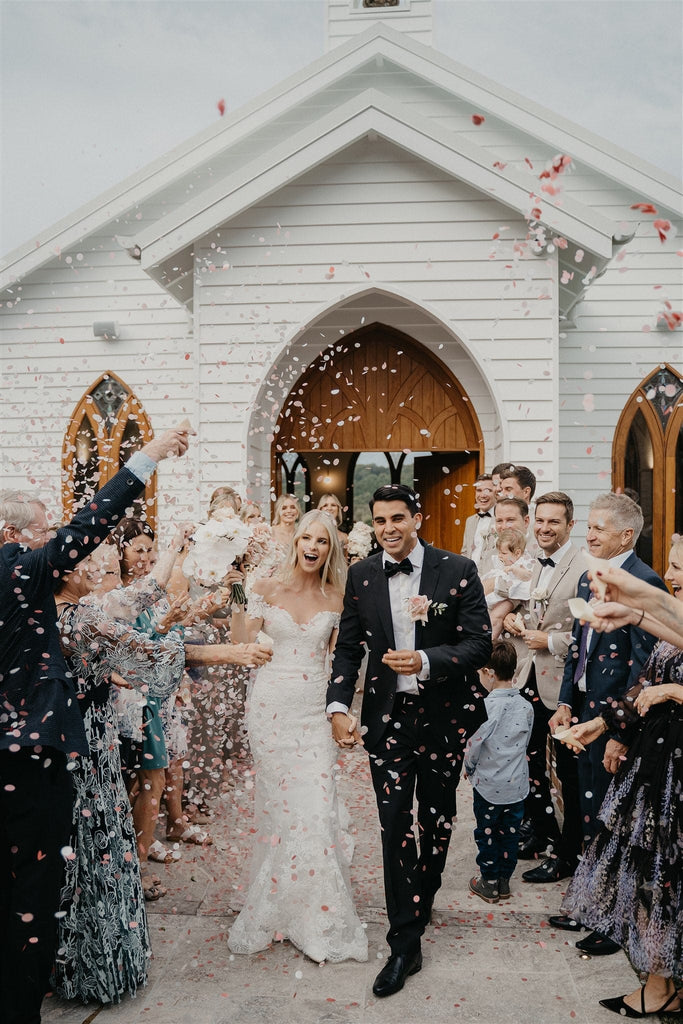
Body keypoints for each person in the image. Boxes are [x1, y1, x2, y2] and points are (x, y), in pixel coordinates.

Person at [0, 427, 190, 1024]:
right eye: (41, 533)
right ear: (13, 537)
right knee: (34, 890)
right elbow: (87, 528)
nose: (55, 545)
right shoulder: (18, 573)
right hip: (29, 759)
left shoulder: (41, 603)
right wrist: (149, 458)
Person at [327, 483, 491, 998]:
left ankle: (424, 894)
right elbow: (349, 648)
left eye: (398, 518)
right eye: (379, 521)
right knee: (394, 821)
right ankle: (404, 942)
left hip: (443, 716)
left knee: (437, 819)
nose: (389, 529)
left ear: (416, 518)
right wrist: (336, 706)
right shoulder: (361, 574)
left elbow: (480, 642)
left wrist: (427, 660)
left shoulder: (457, 569)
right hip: (387, 720)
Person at [227, 510, 368, 964]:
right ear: (295, 543)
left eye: (322, 541)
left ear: (332, 550)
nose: (313, 546)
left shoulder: (338, 596)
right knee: (282, 811)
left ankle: (318, 916)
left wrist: (342, 713)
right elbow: (241, 647)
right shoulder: (266, 587)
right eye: (306, 537)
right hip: (270, 709)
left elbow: (342, 661)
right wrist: (235, 596)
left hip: (314, 710)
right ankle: (280, 907)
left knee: (317, 806)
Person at [555, 543, 683, 1019]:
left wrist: (677, 690)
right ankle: (661, 980)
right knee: (658, 877)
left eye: (675, 565)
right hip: (657, 765)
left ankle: (661, 985)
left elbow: (662, 686)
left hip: (675, 775)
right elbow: (643, 684)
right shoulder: (675, 621)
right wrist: (600, 726)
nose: (667, 572)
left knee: (667, 879)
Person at [548, 492, 667, 955]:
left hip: (615, 723)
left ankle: (611, 921)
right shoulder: (586, 579)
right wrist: (564, 702)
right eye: (589, 526)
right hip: (582, 714)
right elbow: (579, 650)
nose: (589, 534)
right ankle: (589, 903)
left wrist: (618, 733)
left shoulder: (645, 583)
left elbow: (645, 670)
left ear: (626, 535)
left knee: (612, 820)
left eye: (598, 528)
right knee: (586, 811)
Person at [503, 491, 585, 876]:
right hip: (530, 676)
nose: (544, 528)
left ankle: (569, 854)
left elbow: (589, 635)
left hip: (566, 685)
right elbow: (535, 609)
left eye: (553, 521)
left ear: (570, 525)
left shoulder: (584, 567)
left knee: (568, 771)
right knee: (529, 757)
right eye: (540, 521)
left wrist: (549, 641)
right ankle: (542, 831)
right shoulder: (535, 563)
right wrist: (515, 621)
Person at [465, 640, 533, 904]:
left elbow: (474, 744)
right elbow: (523, 744)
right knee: (510, 834)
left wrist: (469, 768)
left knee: (487, 832)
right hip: (516, 786)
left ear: (489, 673)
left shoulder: (485, 707)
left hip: (489, 786)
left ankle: (489, 881)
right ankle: (504, 880)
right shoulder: (527, 706)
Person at [481, 527, 533, 639]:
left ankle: (489, 641)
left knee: (496, 616)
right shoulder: (507, 561)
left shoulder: (524, 562)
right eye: (499, 552)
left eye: (503, 553)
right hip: (504, 594)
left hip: (512, 597)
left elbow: (528, 576)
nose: (500, 556)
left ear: (517, 553)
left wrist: (514, 569)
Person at [461, 473, 496, 565]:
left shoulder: (501, 520)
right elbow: (465, 552)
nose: (482, 495)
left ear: (496, 492)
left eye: (488, 490)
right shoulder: (470, 521)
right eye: (479, 490)